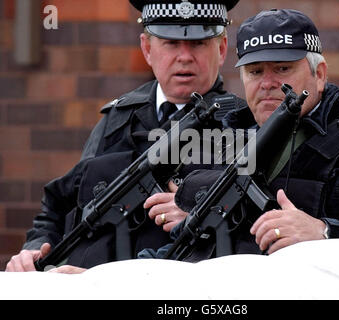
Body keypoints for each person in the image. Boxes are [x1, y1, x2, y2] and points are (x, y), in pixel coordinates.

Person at [5, 0, 247, 272]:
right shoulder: (118, 120)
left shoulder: (243, 127)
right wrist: (35, 247)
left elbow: (265, 227)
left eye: (199, 44)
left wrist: (205, 214)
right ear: (146, 48)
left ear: (222, 48)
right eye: (170, 43)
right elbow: (62, 203)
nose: (185, 56)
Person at [151, 8, 339, 261]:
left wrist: (324, 232)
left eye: (283, 68)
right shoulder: (229, 142)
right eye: (255, 71)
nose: (267, 83)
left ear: (319, 75)